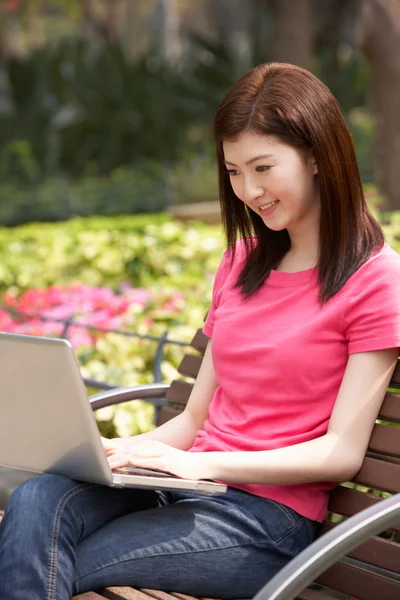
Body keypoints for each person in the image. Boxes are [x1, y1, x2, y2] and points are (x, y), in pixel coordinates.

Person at [1, 62, 400, 600]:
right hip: (186, 491)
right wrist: (124, 452)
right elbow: (193, 418)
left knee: (62, 558)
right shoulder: (242, 261)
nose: (249, 190)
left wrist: (196, 464)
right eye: (234, 171)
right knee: (34, 499)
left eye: (262, 167)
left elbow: (340, 453)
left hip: (264, 522)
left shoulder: (375, 279)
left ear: (315, 154)